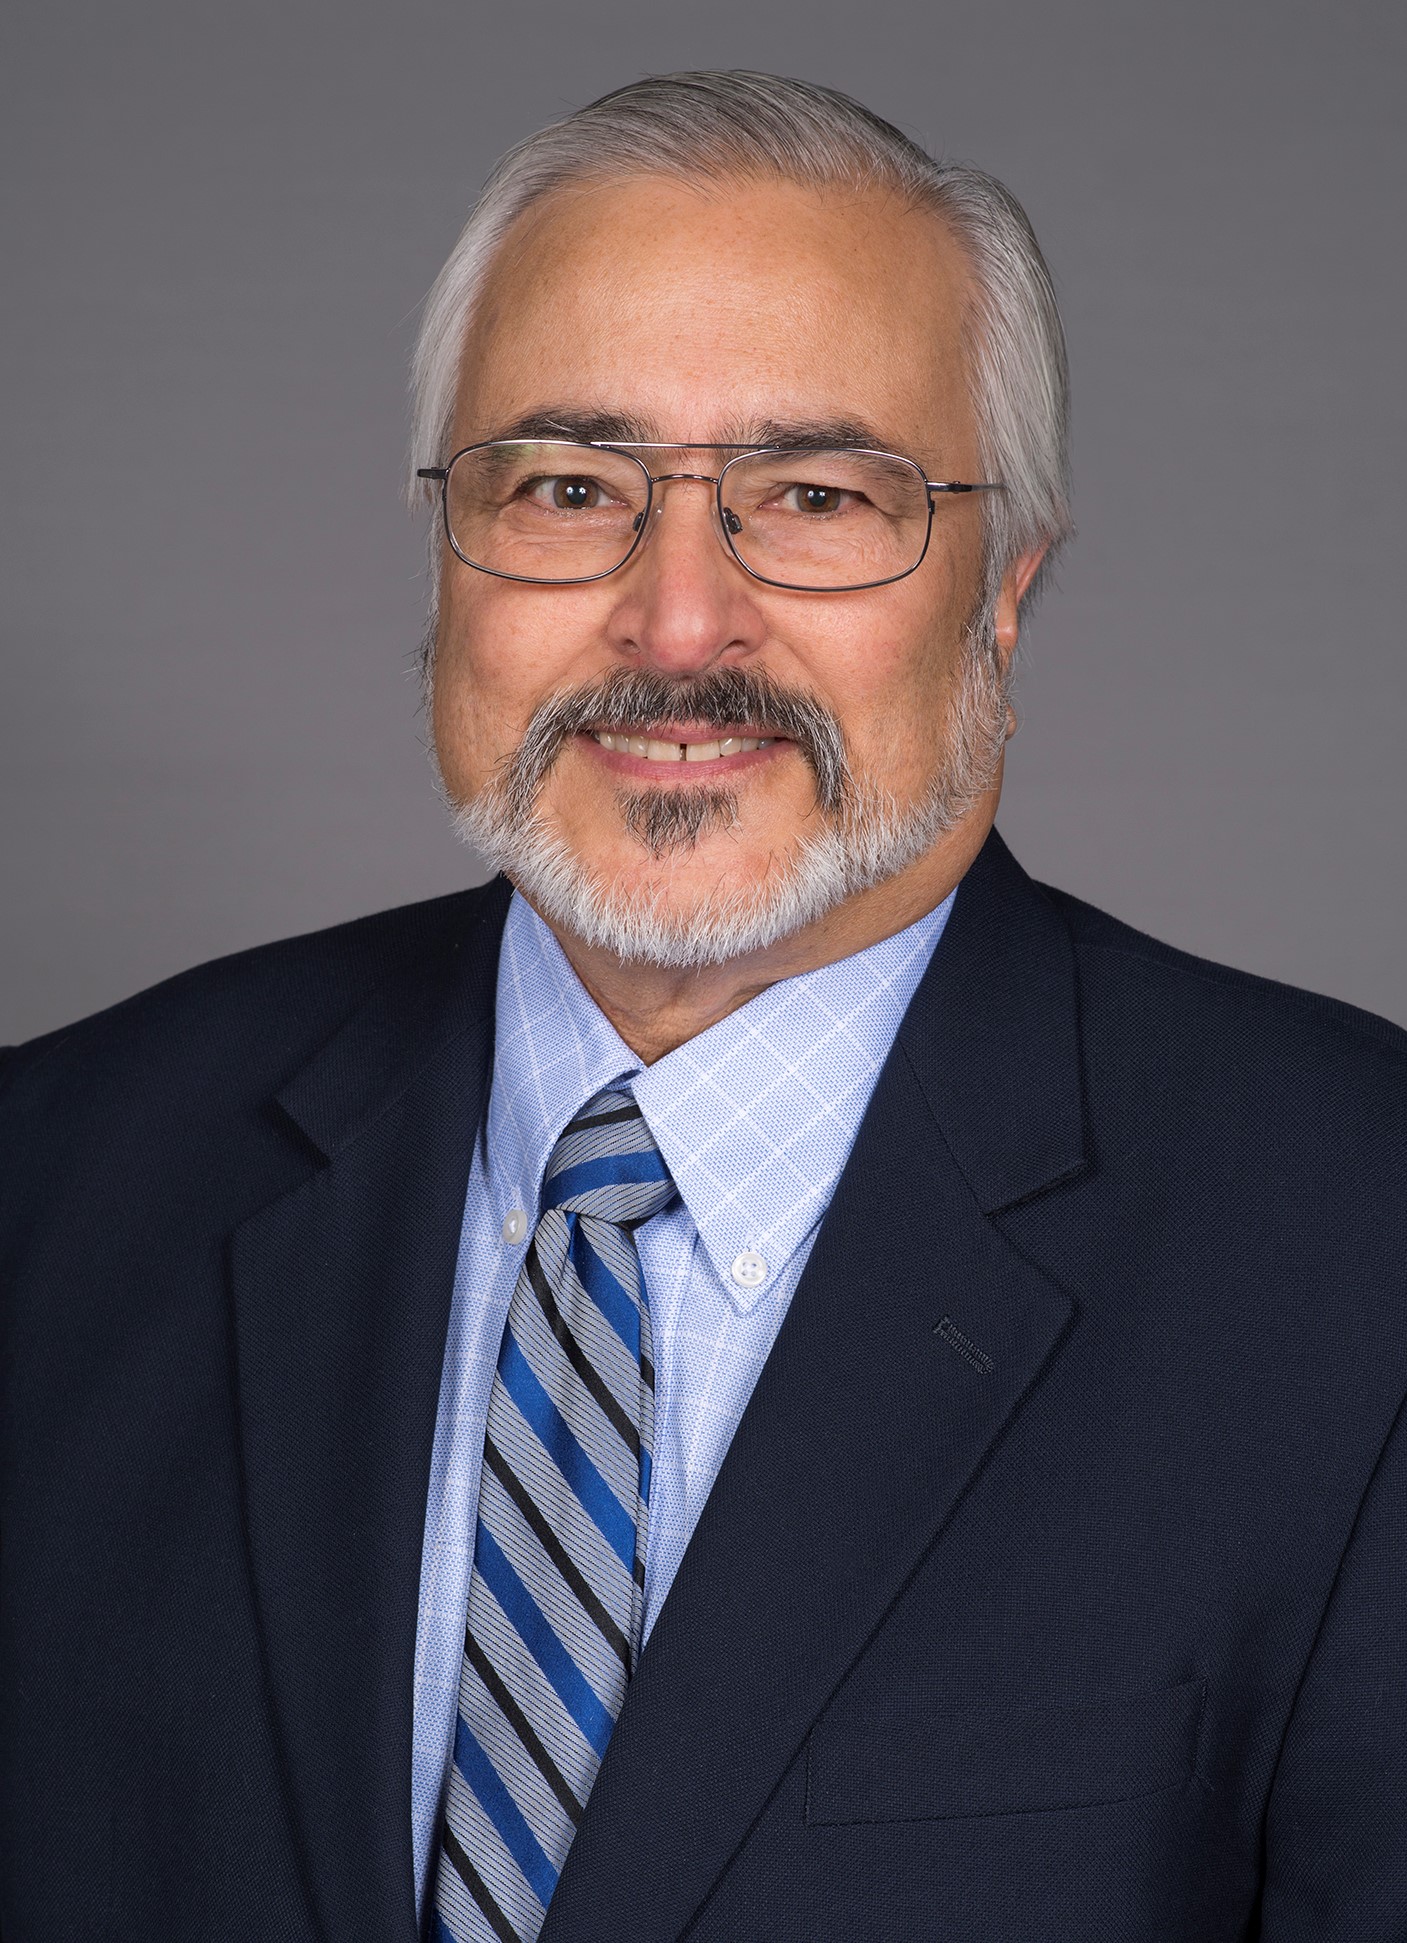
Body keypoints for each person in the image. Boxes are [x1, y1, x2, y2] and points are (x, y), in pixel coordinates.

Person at [2, 67, 1405, 1943]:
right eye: (569, 488)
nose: (677, 624)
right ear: (447, 552)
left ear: (1004, 593)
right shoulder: (51, 1189)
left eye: (814, 496)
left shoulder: (1358, 1247)